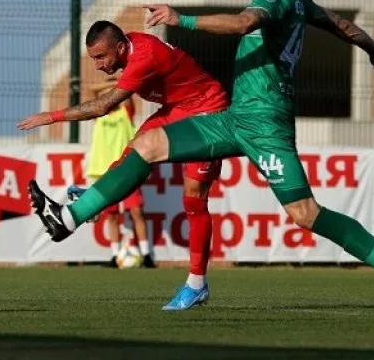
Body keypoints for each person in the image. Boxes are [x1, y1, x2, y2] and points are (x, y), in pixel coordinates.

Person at [26, 0, 374, 323]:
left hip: (266, 124)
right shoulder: (299, 1)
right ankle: (69, 218)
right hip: (235, 119)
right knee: (147, 145)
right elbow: (340, 24)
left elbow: (243, 23)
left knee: (304, 213)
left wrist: (183, 19)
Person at [18, 20, 230, 309]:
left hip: (208, 111)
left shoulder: (143, 57)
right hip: (177, 108)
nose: (97, 65)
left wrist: (52, 116)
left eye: (101, 57)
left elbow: (103, 107)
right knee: (133, 153)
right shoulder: (129, 47)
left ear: (119, 48)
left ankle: (196, 284)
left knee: (194, 199)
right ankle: (93, 204)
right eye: (92, 58)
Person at [77, 77, 154, 268]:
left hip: (126, 170)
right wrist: (110, 84)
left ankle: (146, 255)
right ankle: (114, 255)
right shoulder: (100, 117)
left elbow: (128, 96)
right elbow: (91, 91)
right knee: (111, 216)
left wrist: (118, 86)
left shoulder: (125, 115)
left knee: (136, 211)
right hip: (104, 173)